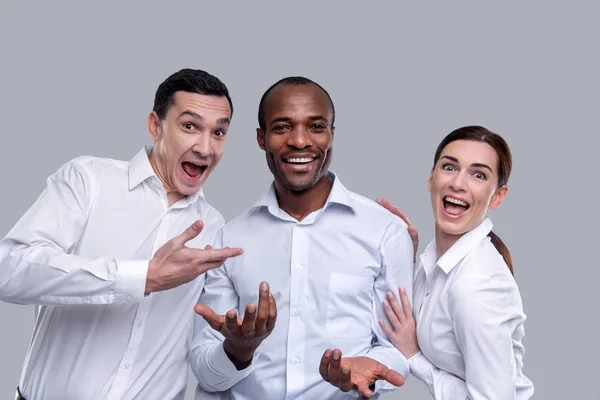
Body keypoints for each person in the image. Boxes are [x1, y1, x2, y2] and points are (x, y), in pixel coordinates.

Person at [0, 68, 243, 400]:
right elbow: (9, 269)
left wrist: (240, 349)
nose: (206, 147)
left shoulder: (215, 229)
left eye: (219, 132)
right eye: (190, 126)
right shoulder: (89, 181)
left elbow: (207, 365)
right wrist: (143, 276)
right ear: (155, 126)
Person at [189, 76, 415, 399]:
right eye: (282, 127)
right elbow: (205, 374)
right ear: (261, 137)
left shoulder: (384, 231)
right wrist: (237, 351)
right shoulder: (229, 239)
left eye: (316, 127)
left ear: (332, 135)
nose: (299, 141)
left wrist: (371, 365)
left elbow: (400, 349)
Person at [377, 126, 535, 399]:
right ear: (431, 179)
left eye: (478, 174)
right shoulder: (437, 257)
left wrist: (414, 356)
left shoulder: (474, 285)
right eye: (450, 167)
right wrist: (404, 254)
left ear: (497, 196)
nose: (458, 183)